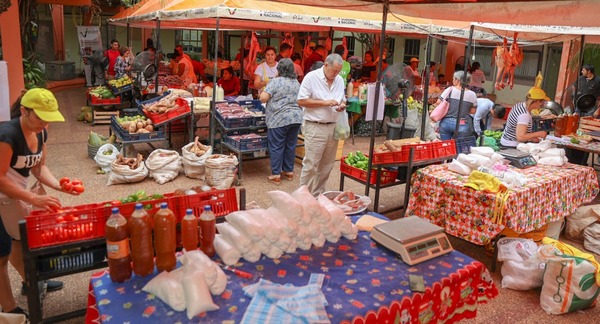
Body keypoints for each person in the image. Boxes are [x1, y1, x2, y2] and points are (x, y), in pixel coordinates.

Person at [0, 89, 82, 316]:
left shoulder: (41, 133)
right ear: (24, 111)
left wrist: (58, 186)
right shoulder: (7, 136)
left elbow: (38, 166)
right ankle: (9, 310)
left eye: (49, 118)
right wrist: (34, 198)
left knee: (19, 240)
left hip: (10, 199)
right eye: (40, 117)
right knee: (1, 255)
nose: (45, 123)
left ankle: (31, 282)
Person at [297, 54, 346, 196]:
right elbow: (301, 101)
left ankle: (317, 195)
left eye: (338, 71)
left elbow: (342, 99)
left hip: (333, 126)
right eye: (334, 71)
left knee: (327, 165)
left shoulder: (340, 80)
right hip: (315, 126)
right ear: (326, 65)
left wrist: (342, 105)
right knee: (311, 164)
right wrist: (325, 102)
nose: (336, 74)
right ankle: (303, 196)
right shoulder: (311, 77)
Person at [259, 58, 303, 185]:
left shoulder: (275, 82)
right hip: (295, 118)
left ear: (280, 69)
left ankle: (276, 174)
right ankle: (289, 172)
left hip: (278, 119)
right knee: (290, 145)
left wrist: (264, 91)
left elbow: (263, 98)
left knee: (277, 146)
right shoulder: (296, 82)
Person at [567, 64, 600, 165]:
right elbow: (574, 86)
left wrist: (598, 109)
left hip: (591, 107)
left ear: (589, 71)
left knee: (587, 127)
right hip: (579, 105)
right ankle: (577, 140)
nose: (582, 72)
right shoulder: (581, 78)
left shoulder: (598, 80)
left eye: (583, 70)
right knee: (576, 124)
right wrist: (574, 97)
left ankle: (583, 152)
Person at [433, 70, 478, 140]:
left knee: (445, 146)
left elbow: (438, 102)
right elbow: (473, 111)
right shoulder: (473, 94)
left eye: (453, 78)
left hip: (446, 123)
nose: (453, 80)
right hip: (462, 124)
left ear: (458, 80)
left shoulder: (450, 90)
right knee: (458, 148)